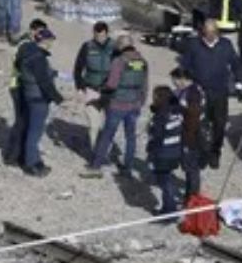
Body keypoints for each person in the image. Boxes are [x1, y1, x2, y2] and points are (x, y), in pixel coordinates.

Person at [177, 18, 242, 169]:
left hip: (220, 92)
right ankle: (202, 153)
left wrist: (239, 85)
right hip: (200, 91)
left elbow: (236, 64)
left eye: (213, 33)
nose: (210, 36)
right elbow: (184, 66)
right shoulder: (194, 45)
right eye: (207, 33)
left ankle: (215, 153)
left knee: (219, 125)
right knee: (200, 124)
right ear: (203, 32)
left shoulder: (225, 45)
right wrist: (185, 85)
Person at [84, 33, 148, 176]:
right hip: (134, 104)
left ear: (120, 46)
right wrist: (140, 102)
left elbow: (112, 84)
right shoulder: (142, 61)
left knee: (107, 135)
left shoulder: (119, 61)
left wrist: (101, 92)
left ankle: (95, 166)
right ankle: (128, 168)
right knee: (130, 137)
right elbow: (145, 85)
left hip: (118, 104)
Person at [10, 24, 62, 176]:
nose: (52, 44)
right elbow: (43, 82)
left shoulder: (26, 51)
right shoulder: (38, 58)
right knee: (35, 132)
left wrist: (53, 73)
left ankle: (23, 157)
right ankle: (32, 164)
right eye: (50, 41)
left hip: (27, 94)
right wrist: (59, 99)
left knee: (27, 127)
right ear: (45, 41)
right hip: (38, 98)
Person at [5, 19, 49, 164]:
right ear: (32, 30)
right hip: (19, 86)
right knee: (22, 122)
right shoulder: (25, 45)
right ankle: (14, 155)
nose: (42, 35)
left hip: (21, 85)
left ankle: (19, 153)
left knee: (24, 122)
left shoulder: (28, 44)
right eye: (40, 32)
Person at [73, 22, 115, 156]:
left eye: (102, 36)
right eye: (96, 36)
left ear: (107, 34)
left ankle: (106, 150)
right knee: (93, 125)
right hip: (91, 89)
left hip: (110, 92)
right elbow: (78, 69)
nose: (99, 38)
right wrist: (80, 87)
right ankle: (95, 154)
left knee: (109, 124)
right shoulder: (87, 47)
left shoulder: (115, 48)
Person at [146, 86, 184, 218]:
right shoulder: (177, 111)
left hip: (162, 153)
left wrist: (150, 155)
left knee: (164, 182)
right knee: (168, 179)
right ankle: (169, 207)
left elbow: (156, 137)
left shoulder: (160, 116)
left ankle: (169, 211)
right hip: (175, 151)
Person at [170, 67, 208, 201]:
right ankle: (189, 195)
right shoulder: (189, 91)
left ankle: (192, 197)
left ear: (182, 79)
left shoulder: (193, 94)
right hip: (191, 133)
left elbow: (193, 117)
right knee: (189, 168)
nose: (173, 82)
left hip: (192, 136)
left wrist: (188, 139)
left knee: (192, 168)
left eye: (174, 80)